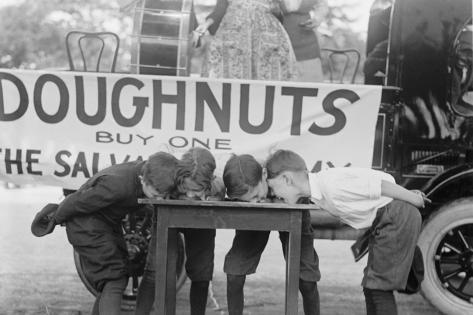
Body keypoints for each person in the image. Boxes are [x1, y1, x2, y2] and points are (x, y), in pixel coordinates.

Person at [265, 149, 429, 315]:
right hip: (387, 219)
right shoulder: (320, 190)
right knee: (371, 287)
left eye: (273, 187)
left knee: (379, 288)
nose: (274, 194)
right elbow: (378, 179)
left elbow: (380, 185)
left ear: (287, 179)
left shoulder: (330, 185)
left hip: (394, 218)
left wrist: (412, 197)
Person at [31, 152, 179, 315]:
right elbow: (77, 201)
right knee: (114, 279)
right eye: (156, 194)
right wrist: (54, 218)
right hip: (85, 227)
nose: (159, 198)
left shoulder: (149, 172)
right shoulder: (117, 185)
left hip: (106, 224)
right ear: (143, 179)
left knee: (113, 280)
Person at [222, 154, 321, 315]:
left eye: (255, 196)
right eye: (247, 201)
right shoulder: (240, 184)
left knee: (306, 280)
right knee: (234, 273)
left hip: (294, 213)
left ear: (264, 175)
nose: (254, 202)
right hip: (254, 219)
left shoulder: (281, 175)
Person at [135, 147, 221, 315]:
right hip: (168, 217)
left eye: (195, 191)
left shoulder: (216, 187)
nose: (189, 195)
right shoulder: (171, 180)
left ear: (208, 184)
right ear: (178, 179)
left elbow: (221, 188)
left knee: (202, 275)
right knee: (155, 269)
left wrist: (212, 199)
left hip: (201, 220)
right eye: (184, 188)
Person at [194, 0, 298, 81]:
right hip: (233, 37)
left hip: (265, 38)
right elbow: (220, 10)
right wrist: (205, 25)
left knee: (268, 79)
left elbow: (281, 12)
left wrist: (274, 10)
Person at [279, 0, 328, 82]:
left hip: (307, 43)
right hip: (280, 41)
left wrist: (316, 19)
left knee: (310, 85)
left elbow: (321, 4)